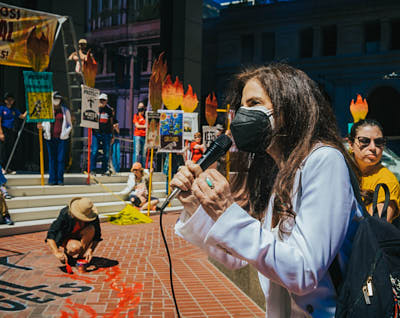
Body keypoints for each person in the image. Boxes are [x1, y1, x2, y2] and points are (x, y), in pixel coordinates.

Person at [171, 63, 364, 317]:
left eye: (253, 103)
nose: (242, 114)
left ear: (288, 106)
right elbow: (240, 258)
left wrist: (227, 211)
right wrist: (197, 205)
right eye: (241, 106)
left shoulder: (325, 160)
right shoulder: (279, 172)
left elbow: (303, 271)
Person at [348, 119, 400, 224]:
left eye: (379, 142)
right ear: (351, 144)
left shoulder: (387, 182)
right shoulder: (340, 167)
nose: (373, 148)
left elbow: (376, 227)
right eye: (364, 141)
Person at [46, 197, 102, 264]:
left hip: (79, 235)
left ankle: (80, 257)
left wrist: (90, 250)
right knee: (75, 248)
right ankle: (68, 254)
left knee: (91, 229)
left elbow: (97, 236)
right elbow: (51, 234)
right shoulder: (65, 213)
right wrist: (57, 252)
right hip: (67, 237)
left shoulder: (92, 216)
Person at [39, 91, 72, 186]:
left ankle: (60, 179)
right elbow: (43, 123)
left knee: (60, 159)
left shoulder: (65, 111)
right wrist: (42, 128)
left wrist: (66, 132)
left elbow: (70, 124)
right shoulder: (47, 110)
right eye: (55, 98)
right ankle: (52, 179)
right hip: (50, 138)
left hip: (61, 138)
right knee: (51, 158)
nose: (57, 100)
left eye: (58, 98)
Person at [0, 92, 27, 174]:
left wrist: (29, 109)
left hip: (11, 130)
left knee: (9, 149)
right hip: (3, 130)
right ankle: (1, 168)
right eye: (8, 99)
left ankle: (8, 167)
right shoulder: (2, 108)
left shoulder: (14, 110)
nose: (9, 101)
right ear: (5, 100)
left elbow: (22, 116)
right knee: (2, 150)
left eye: (11, 99)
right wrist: (0, 133)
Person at [90, 93, 114, 176]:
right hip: (96, 133)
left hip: (106, 134)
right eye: (100, 100)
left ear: (106, 101)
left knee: (106, 152)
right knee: (94, 151)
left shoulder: (109, 110)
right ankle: (92, 169)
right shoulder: (94, 109)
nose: (102, 102)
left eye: (104, 100)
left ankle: (105, 169)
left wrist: (112, 135)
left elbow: (111, 123)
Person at [132, 102, 146, 167]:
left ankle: (143, 168)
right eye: (139, 107)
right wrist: (145, 126)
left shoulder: (146, 116)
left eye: (142, 107)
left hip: (145, 136)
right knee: (137, 153)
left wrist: (144, 126)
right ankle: (135, 167)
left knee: (144, 154)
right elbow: (137, 125)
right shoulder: (136, 115)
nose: (141, 108)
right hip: (137, 135)